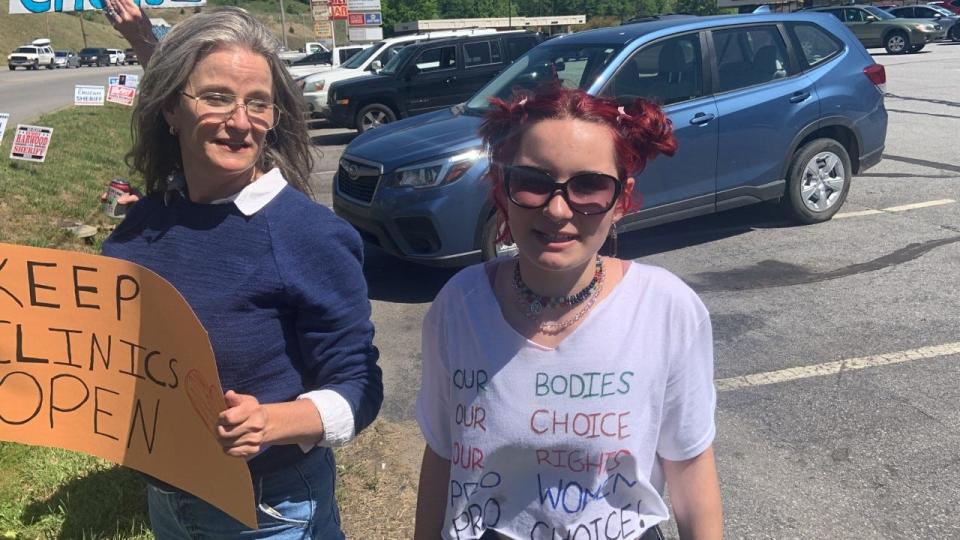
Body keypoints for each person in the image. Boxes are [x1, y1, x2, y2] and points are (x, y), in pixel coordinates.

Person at [100, 7, 383, 539]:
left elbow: (359, 390)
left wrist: (271, 423)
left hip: (267, 509)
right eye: (216, 97)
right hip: (166, 496)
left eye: (258, 103)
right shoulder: (143, 223)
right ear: (170, 110)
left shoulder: (308, 234)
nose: (240, 120)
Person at [414, 84, 722, 540]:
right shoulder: (459, 307)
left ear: (620, 200)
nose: (558, 209)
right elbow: (442, 456)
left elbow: (691, 468)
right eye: (534, 183)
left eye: (589, 186)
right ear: (504, 188)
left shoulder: (666, 309)